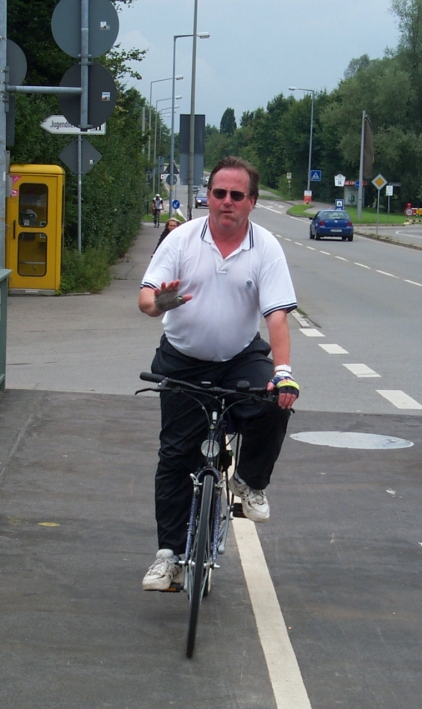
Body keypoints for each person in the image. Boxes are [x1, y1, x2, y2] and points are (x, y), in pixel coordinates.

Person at [138, 156, 300, 591]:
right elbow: (146, 299)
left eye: (237, 195)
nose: (226, 202)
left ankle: (249, 483)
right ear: (207, 197)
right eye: (219, 193)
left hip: (238, 356)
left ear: (252, 201)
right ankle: (168, 558)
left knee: (275, 400)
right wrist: (162, 304)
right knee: (174, 456)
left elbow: (277, 317)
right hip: (182, 358)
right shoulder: (182, 239)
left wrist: (283, 373)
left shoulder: (265, 247)